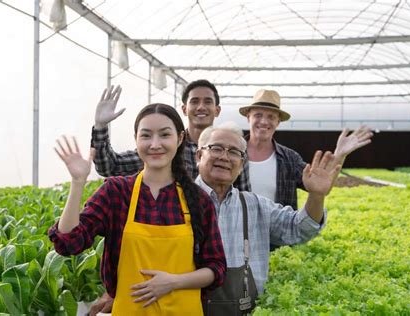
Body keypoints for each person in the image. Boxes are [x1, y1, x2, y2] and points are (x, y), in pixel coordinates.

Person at [49, 103, 226, 315]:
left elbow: (216, 268)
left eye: (164, 135)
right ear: (136, 140)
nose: (155, 144)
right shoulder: (117, 192)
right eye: (146, 136)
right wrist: (78, 182)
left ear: (179, 139)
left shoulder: (197, 199)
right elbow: (69, 242)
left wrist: (174, 282)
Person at [195, 122, 340, 301]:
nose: (225, 157)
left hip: (242, 308)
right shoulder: (177, 201)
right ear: (199, 155)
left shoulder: (255, 205)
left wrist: (316, 196)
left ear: (241, 166)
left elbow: (300, 229)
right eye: (216, 148)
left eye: (234, 152)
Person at [90, 80, 251, 191]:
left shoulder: (231, 151)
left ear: (217, 110)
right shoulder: (167, 148)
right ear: (184, 109)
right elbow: (109, 166)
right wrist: (100, 126)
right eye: (194, 101)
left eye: (207, 102)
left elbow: (243, 195)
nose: (201, 107)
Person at [239, 89, 373, 209]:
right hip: (237, 234)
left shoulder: (290, 159)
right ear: (248, 118)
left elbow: (321, 187)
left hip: (277, 235)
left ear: (278, 122)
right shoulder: (233, 153)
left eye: (271, 117)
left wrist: (340, 154)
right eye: (258, 115)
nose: (263, 121)